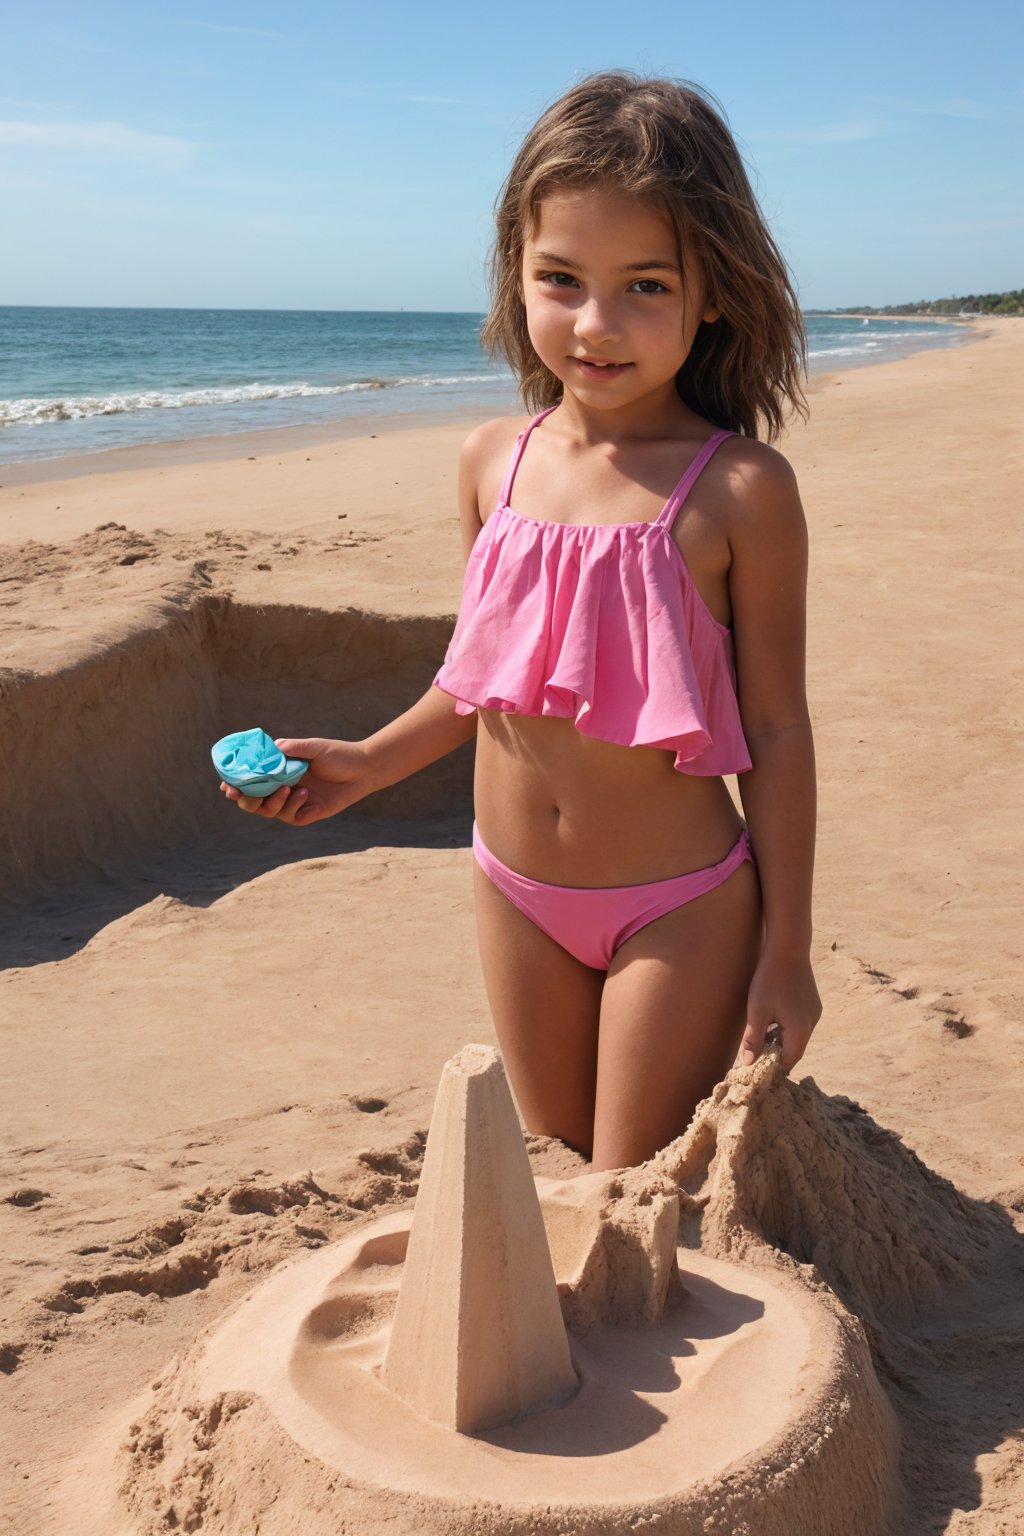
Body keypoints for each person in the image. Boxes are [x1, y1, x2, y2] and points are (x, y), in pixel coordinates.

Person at [221, 72, 821, 1170]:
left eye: (645, 284)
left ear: (716, 291)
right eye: (561, 278)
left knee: (625, 1191)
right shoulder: (490, 460)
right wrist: (363, 760)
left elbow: (776, 730)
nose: (595, 324)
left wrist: (788, 949)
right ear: (518, 272)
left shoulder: (737, 490)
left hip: (677, 906)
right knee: (548, 1159)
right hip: (511, 885)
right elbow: (481, 675)